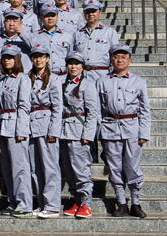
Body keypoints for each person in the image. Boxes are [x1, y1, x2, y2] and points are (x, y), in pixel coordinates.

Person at [99, 44, 150, 219]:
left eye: (123, 57)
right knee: (114, 168)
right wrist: (99, 132)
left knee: (132, 168)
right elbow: (98, 109)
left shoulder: (139, 81)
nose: (119, 60)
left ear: (129, 60)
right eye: (116, 57)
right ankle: (121, 203)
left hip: (131, 129)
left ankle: (135, 202)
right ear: (111, 60)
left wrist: (144, 133)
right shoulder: (102, 81)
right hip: (109, 127)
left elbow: (145, 110)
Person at [60, 52, 98, 219]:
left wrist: (88, 134)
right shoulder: (63, 83)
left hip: (79, 132)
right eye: (70, 63)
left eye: (77, 63)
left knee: (81, 169)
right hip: (64, 131)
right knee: (69, 170)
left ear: (82, 66)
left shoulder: (87, 84)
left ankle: (85, 203)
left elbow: (93, 112)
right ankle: (76, 199)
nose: (73, 66)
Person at [0, 45, 33, 217]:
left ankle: (24, 204)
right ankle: (13, 202)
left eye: (10, 58)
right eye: (4, 58)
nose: (7, 60)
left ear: (17, 59)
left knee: (20, 168)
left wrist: (21, 130)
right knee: (7, 168)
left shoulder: (23, 79)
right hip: (2, 127)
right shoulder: (1, 80)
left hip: (16, 126)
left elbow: (24, 106)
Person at [27, 46, 62, 219]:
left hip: (47, 125)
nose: (38, 60)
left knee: (50, 167)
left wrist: (54, 130)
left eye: (41, 57)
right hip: (31, 126)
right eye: (35, 57)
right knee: (35, 168)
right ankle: (42, 203)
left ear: (47, 58)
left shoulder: (53, 79)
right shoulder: (28, 77)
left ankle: (52, 205)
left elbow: (57, 107)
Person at [73, 0, 119, 86]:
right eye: (88, 11)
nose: (91, 14)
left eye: (93, 11)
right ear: (84, 13)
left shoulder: (110, 32)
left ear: (100, 13)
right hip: (81, 76)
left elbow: (115, 56)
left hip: (101, 75)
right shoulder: (77, 34)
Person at [33, 3, 73, 75]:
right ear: (41, 17)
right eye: (47, 16)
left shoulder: (67, 36)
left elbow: (71, 58)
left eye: (53, 16)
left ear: (57, 17)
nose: (50, 18)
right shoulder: (35, 36)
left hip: (62, 76)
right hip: (43, 76)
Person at [0, 9, 33, 74]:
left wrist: (22, 34)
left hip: (23, 76)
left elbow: (37, 48)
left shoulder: (28, 38)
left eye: (15, 21)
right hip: (2, 77)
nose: (11, 24)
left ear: (21, 23)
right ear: (4, 22)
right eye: (8, 21)